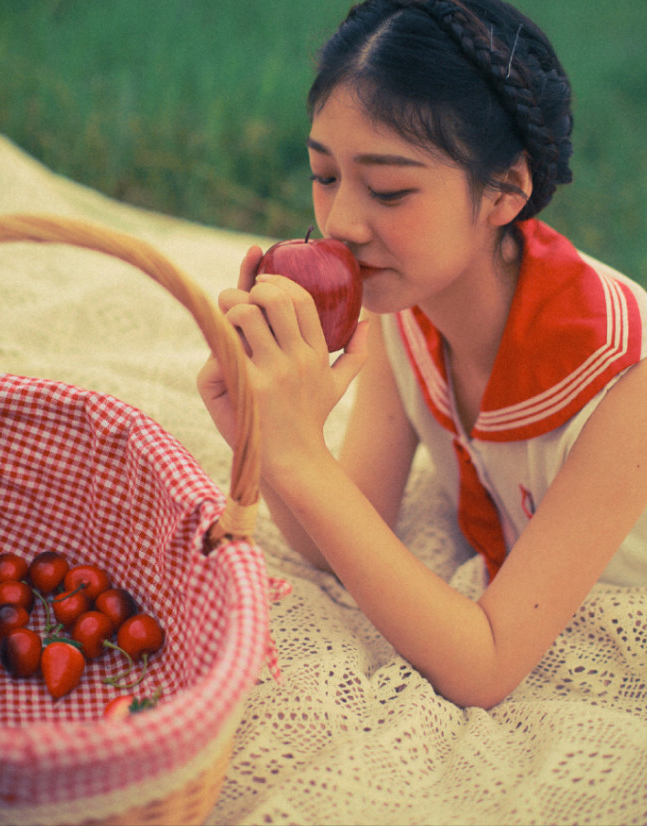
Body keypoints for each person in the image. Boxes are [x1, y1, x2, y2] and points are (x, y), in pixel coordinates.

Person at [198, 0, 647, 709]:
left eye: (388, 189)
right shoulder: (405, 306)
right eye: (324, 175)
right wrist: (263, 429)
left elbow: (485, 668)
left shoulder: (625, 379)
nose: (341, 223)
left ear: (505, 191)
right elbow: (335, 538)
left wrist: (300, 457)